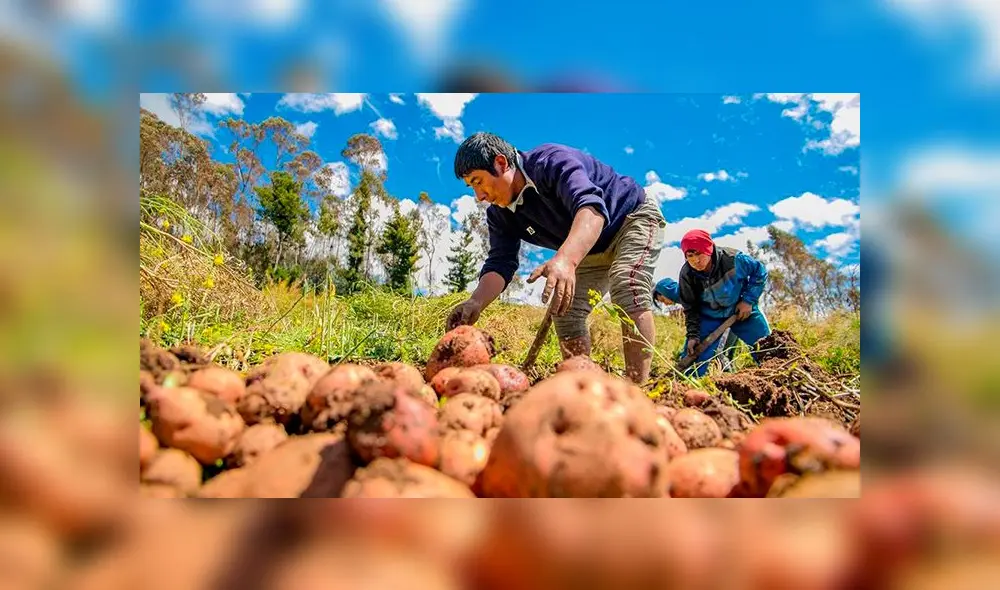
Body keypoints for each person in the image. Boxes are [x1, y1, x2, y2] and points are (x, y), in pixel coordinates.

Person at [446, 131, 667, 385]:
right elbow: (501, 262)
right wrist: (475, 302)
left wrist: (566, 260)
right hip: (591, 248)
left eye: (478, 181)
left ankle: (637, 388)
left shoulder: (551, 162)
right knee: (565, 309)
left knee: (626, 283)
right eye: (471, 186)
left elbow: (592, 209)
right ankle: (580, 387)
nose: (479, 196)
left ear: (501, 163)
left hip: (630, 218)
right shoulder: (500, 214)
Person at [676, 229, 771, 376]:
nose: (696, 260)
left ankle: (781, 378)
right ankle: (684, 390)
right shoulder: (687, 275)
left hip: (741, 310)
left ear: (709, 249)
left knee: (767, 348)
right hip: (709, 318)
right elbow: (691, 307)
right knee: (693, 363)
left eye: (699, 253)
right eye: (690, 255)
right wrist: (693, 335)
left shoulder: (733, 260)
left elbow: (759, 272)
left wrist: (748, 301)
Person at [654, 277, 740, 371]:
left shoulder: (687, 294)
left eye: (663, 300)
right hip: (733, 316)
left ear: (666, 291)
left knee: (720, 353)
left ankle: (731, 380)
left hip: (727, 319)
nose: (665, 304)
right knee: (726, 353)